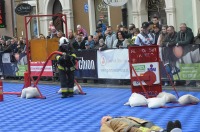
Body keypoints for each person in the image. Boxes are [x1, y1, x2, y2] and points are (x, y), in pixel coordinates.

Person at [100, 116, 182, 132]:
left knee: (152, 127)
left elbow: (137, 119)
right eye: (104, 118)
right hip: (128, 129)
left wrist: (146, 122)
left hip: (142, 124)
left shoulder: (122, 117)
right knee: (141, 130)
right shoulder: (106, 124)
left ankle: (165, 131)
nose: (106, 117)